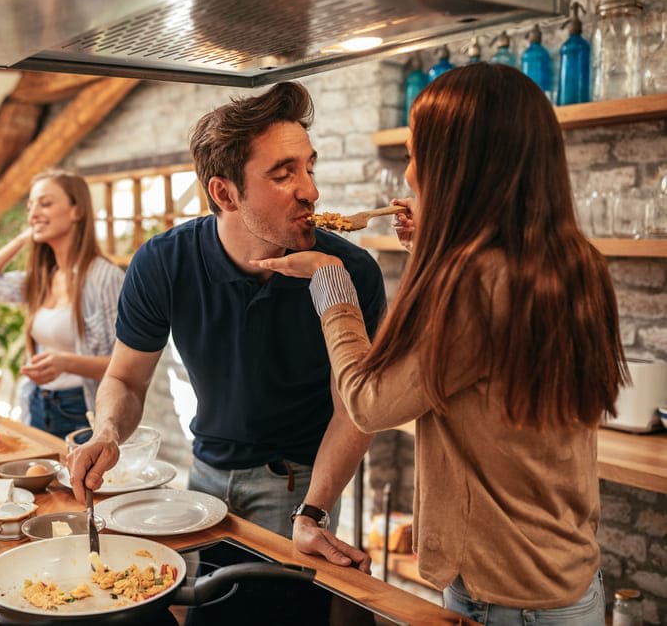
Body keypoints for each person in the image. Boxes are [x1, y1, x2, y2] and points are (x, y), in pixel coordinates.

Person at [254, 63, 627, 625]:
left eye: (416, 154)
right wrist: (432, 251)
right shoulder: (572, 263)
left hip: (506, 599)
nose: (408, 176)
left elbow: (371, 401)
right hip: (567, 581)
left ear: (459, 168)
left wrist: (331, 280)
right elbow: (477, 356)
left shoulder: (474, 286)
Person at [67, 82, 386, 570]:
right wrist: (108, 432)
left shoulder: (348, 270)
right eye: (283, 174)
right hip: (204, 475)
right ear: (224, 192)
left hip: (298, 482)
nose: (311, 190)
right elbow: (126, 378)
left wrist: (313, 511)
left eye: (309, 166)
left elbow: (354, 411)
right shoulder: (162, 262)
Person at [0, 169, 124, 437]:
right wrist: (25, 237)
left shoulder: (104, 278)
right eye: (30, 207)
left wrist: (66, 363)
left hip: (82, 410)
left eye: (45, 203)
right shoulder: (41, 279)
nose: (34, 212)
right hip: (37, 402)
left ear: (77, 211)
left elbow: (123, 366)